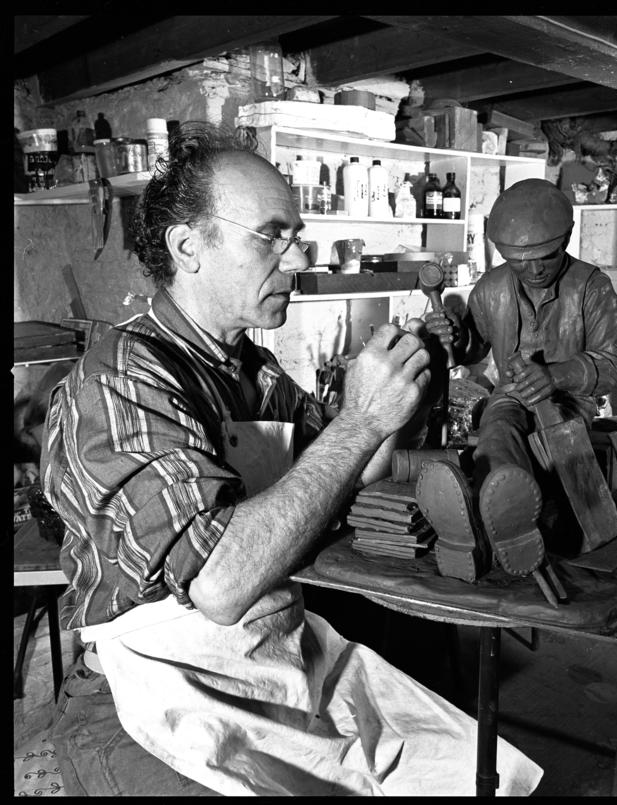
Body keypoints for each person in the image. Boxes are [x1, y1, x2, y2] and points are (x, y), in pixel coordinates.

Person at [40, 122, 542, 796]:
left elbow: (348, 469)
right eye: (271, 235)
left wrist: (407, 391)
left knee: (472, 772)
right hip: (157, 685)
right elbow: (220, 585)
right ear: (188, 247)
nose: (298, 256)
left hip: (272, 654)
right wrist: (360, 420)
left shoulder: (255, 369)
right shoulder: (120, 380)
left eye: (296, 235)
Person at [420, 179, 617, 581]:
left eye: (546, 257)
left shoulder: (591, 287)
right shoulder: (491, 288)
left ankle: (521, 522)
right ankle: (506, 516)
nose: (534, 270)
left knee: (559, 449)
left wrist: (556, 376)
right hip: (512, 394)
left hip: (569, 399)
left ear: (567, 237)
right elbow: (473, 349)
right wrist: (455, 336)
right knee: (497, 431)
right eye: (519, 261)